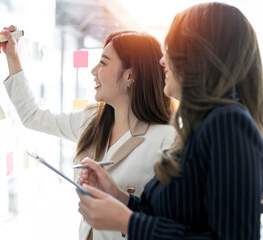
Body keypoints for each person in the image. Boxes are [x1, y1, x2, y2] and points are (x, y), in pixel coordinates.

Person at [77, 2, 263, 239]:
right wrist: (119, 197)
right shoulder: (204, 126)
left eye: (171, 49)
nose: (162, 61)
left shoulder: (228, 123)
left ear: (200, 55)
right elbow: (178, 217)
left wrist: (127, 221)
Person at [0, 26, 176, 239]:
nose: (94, 71)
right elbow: (33, 116)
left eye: (103, 63)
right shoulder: (91, 120)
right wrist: (13, 56)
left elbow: (168, 223)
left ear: (130, 74)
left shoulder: (167, 139)